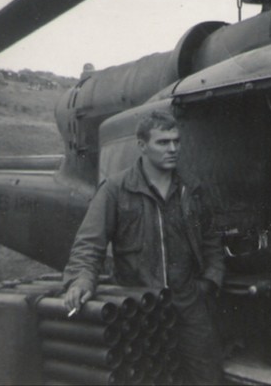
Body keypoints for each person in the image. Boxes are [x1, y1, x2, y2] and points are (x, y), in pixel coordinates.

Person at [63, 110, 225, 384]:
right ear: (142, 146)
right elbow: (90, 244)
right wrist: (81, 280)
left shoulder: (192, 188)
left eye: (176, 141)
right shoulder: (115, 190)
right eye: (163, 142)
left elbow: (212, 242)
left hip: (188, 303)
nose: (173, 148)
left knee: (207, 377)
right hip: (140, 307)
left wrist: (209, 281)